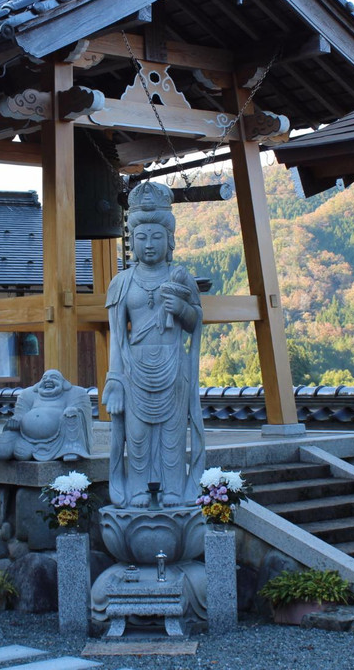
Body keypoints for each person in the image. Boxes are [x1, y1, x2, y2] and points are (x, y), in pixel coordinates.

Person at [103, 181, 205, 507]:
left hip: (173, 364)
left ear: (170, 240)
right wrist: (114, 380)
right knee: (138, 436)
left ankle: (174, 490)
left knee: (173, 436)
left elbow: (195, 322)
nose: (149, 245)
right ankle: (136, 491)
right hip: (134, 369)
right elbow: (117, 336)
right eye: (141, 238)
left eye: (156, 237)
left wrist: (183, 310)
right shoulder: (121, 283)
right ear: (131, 241)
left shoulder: (180, 277)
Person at [0, 369, 93, 462]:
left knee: (72, 413)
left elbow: (81, 411)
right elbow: (20, 413)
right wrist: (15, 420)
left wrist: (71, 411)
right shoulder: (27, 394)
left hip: (59, 440)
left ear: (64, 383)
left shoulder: (75, 393)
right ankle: (26, 448)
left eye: (54, 377)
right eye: (44, 378)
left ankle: (70, 450)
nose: (48, 380)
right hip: (26, 436)